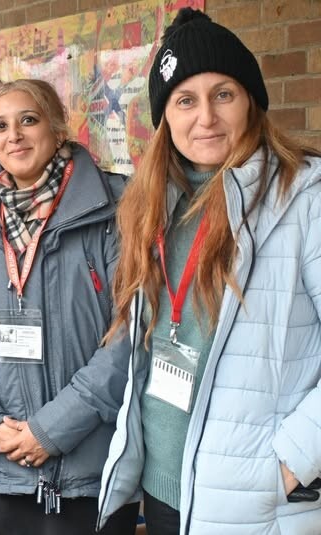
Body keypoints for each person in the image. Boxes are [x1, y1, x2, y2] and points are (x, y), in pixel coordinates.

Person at [97, 8, 321, 534]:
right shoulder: (151, 202)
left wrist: (292, 463)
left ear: (251, 101)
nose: (206, 118)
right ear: (165, 116)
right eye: (185, 100)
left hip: (253, 501)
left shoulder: (305, 197)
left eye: (223, 94)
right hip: (163, 490)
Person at [0, 79, 139, 535]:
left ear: (58, 128)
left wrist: (51, 430)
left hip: (89, 469)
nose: (15, 136)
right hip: (2, 466)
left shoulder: (113, 211)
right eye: (1, 126)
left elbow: (131, 334)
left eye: (28, 120)